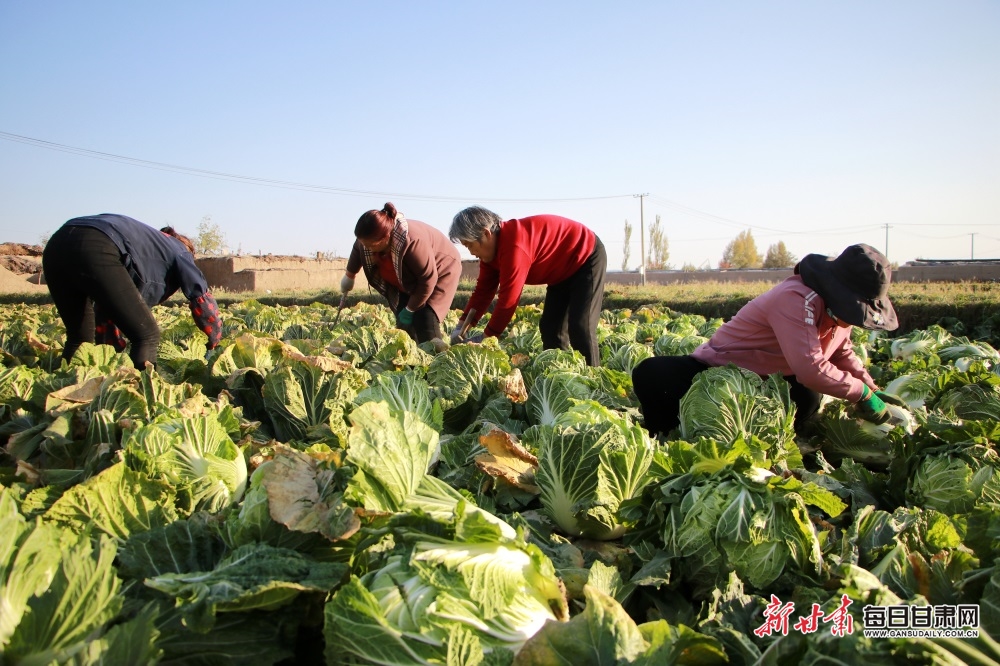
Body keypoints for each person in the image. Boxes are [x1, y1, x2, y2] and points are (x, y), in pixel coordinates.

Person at [632, 243, 906, 436]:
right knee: (652, 373)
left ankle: (761, 438)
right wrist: (861, 394)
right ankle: (669, 434)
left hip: (770, 382)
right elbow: (811, 368)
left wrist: (871, 387)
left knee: (807, 399)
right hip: (719, 372)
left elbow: (841, 353)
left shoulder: (837, 314)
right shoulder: (796, 299)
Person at [42, 213, 222, 368]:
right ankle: (145, 396)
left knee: (79, 340)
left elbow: (110, 308)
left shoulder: (146, 247)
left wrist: (112, 355)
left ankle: (61, 393)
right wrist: (215, 338)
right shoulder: (180, 250)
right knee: (147, 336)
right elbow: (201, 298)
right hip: (97, 243)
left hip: (56, 245)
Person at [447, 206, 607, 366]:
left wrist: (486, 338)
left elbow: (508, 300)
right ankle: (559, 374)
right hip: (559, 272)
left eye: (469, 245)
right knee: (551, 328)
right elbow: (483, 292)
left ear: (486, 234)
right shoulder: (489, 256)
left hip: (585, 257)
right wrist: (462, 326)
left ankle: (594, 381)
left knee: (581, 327)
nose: (471, 252)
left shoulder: (514, 245)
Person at [341, 202, 461, 344]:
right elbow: (358, 248)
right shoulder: (370, 240)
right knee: (403, 321)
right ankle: (411, 361)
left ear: (385, 237)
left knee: (425, 316)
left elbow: (427, 279)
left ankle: (435, 359)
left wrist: (410, 309)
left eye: (370, 245)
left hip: (440, 270)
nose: (366, 247)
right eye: (364, 243)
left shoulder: (412, 241)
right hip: (406, 278)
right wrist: (350, 276)